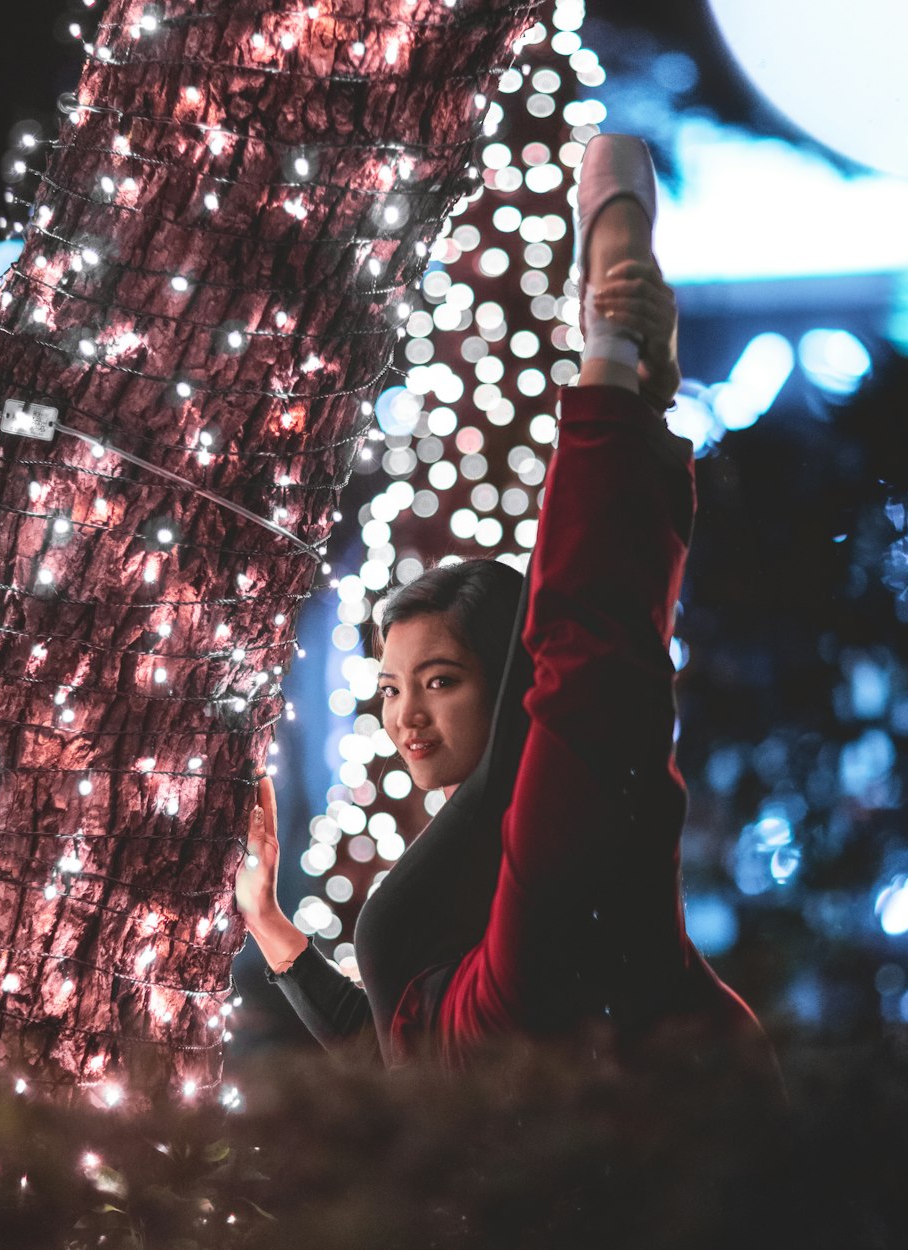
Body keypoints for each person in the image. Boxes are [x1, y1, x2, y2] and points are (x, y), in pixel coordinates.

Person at [237, 134, 774, 1075]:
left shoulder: (559, 824)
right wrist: (271, 925)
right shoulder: (466, 861)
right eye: (391, 688)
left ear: (509, 672)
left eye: (438, 680)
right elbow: (414, 1058)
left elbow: (593, 639)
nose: (405, 716)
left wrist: (613, 385)